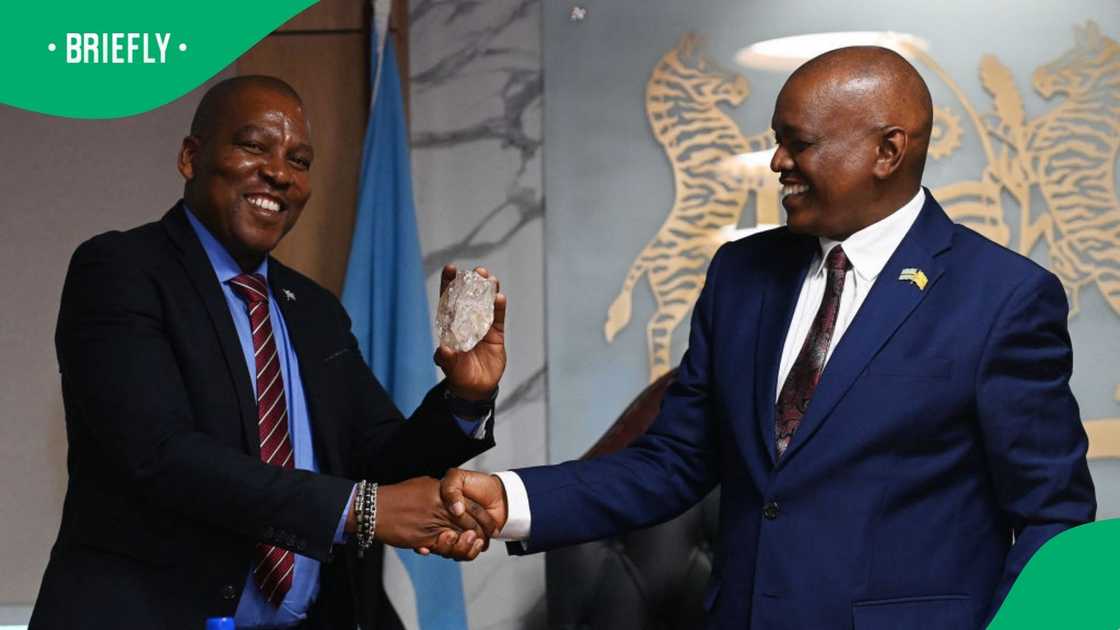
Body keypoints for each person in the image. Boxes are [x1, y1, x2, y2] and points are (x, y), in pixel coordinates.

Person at [437, 46, 1096, 628]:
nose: (777, 161)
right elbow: (672, 462)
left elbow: (1051, 518)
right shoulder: (740, 274)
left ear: (887, 152)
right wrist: (511, 498)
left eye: (797, 141)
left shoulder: (1003, 297)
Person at [30, 75, 505, 630]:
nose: (279, 173)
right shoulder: (121, 271)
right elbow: (159, 456)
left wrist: (464, 398)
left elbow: (381, 456)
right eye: (254, 146)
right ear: (190, 156)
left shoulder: (314, 309)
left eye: (299, 160)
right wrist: (360, 510)